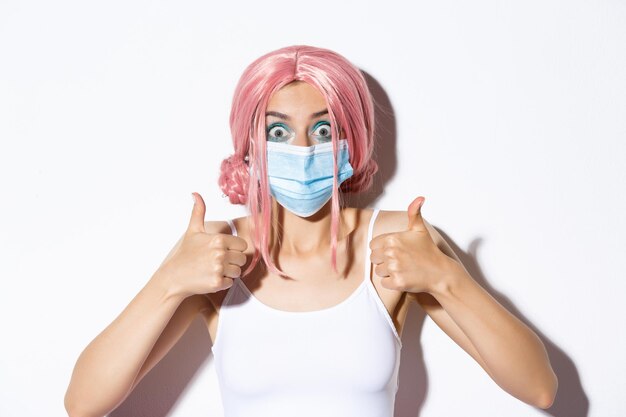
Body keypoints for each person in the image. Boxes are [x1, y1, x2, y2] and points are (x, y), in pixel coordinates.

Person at [64, 45, 558, 417]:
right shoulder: (217, 254)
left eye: (323, 131)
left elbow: (539, 388)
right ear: (250, 146)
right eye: (278, 132)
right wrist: (169, 280)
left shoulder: (395, 242)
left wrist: (447, 279)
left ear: (351, 142)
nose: (302, 150)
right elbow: (82, 403)